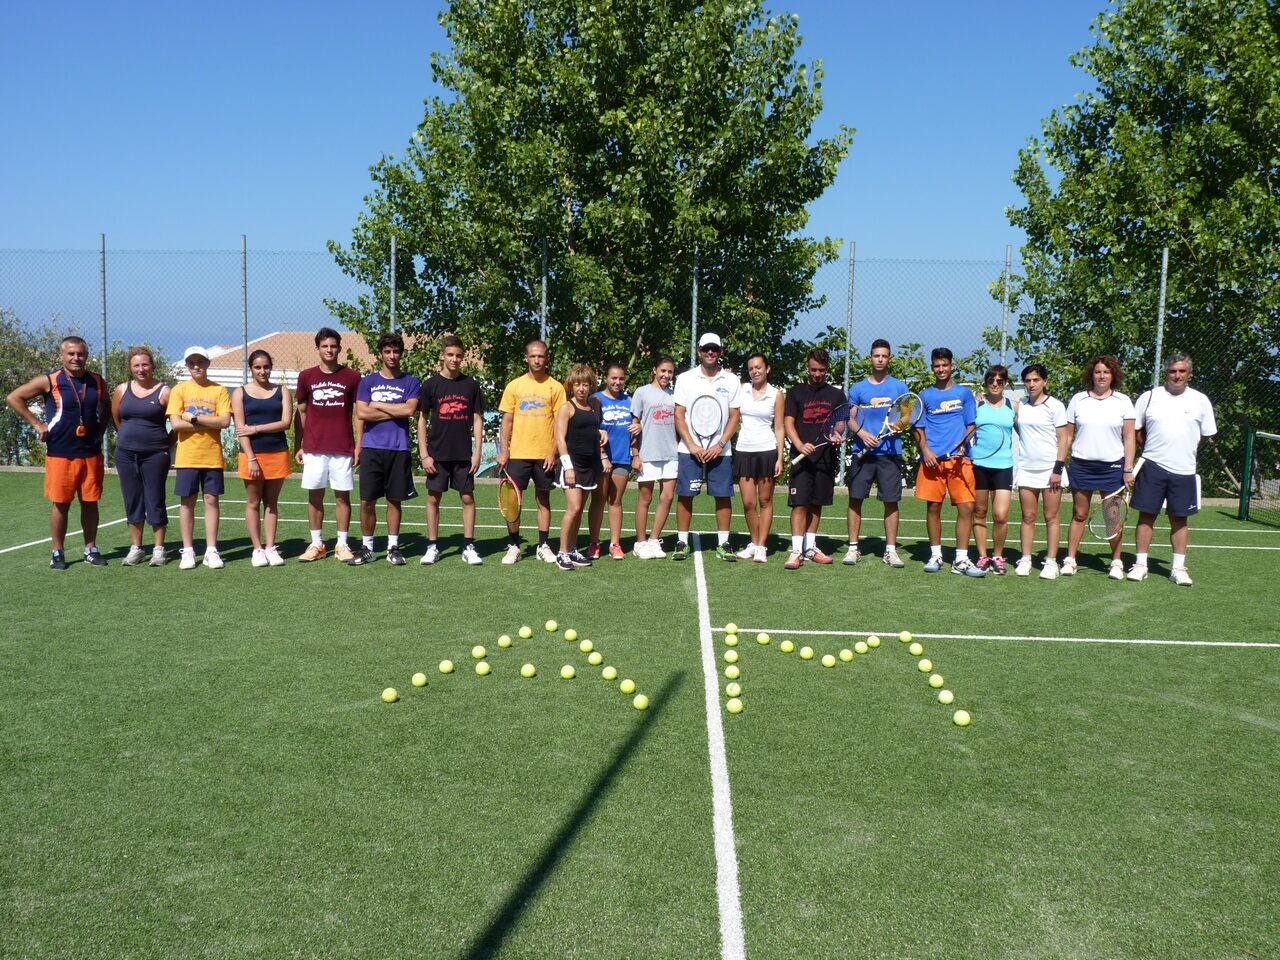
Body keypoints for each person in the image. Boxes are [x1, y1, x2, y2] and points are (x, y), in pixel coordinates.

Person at [6, 335, 110, 569]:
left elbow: (106, 405)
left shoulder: (96, 380)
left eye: (80, 354)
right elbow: (13, 397)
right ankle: (57, 552)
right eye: (71, 353)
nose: (76, 358)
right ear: (61, 355)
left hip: (91, 453)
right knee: (61, 503)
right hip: (60, 453)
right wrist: (36, 423)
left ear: (87, 356)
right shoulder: (50, 380)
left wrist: (100, 430)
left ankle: (90, 549)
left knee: (90, 502)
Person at [1126, 353, 1216, 586]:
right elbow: (1136, 431)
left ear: (1189, 374)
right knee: (1146, 516)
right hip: (1152, 467)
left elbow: (1205, 435)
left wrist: (1183, 448)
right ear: (1166, 373)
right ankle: (1140, 565)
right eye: (1172, 371)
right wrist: (1154, 449)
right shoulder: (1149, 397)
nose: (1177, 375)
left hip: (1185, 470)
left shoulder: (1200, 400)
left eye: (1182, 371)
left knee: (1180, 520)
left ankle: (1178, 568)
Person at [1063, 355, 1136, 579]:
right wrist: (1059, 464)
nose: (1101, 376)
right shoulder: (1078, 399)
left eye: (1106, 372)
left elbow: (1129, 438)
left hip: (1113, 467)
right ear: (1091, 375)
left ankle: (1116, 562)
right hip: (1081, 465)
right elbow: (1067, 435)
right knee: (1079, 514)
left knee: (1112, 517)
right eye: (1097, 372)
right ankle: (1070, 560)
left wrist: (1128, 469)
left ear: (1113, 375)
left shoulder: (1123, 401)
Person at [914, 347, 985, 577]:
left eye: (945, 365)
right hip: (932, 461)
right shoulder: (924, 396)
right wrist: (925, 451)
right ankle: (935, 555)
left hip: (960, 461)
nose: (941, 369)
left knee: (967, 508)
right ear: (932, 368)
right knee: (933, 507)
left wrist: (963, 443)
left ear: (951, 366)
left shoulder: (964, 394)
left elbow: (971, 425)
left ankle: (961, 559)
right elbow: (918, 428)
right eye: (937, 365)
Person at [351, 332, 420, 566]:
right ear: (380, 354)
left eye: (396, 351)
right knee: (367, 501)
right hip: (371, 448)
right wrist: (396, 408)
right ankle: (367, 548)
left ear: (401, 353)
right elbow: (362, 413)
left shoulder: (411, 382)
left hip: (399, 449)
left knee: (394, 500)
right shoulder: (368, 382)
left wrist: (378, 404)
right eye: (387, 351)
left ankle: (393, 547)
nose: (392, 356)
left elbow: (409, 410)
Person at [672, 332, 741, 561]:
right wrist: (692, 445)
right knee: (685, 495)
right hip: (689, 451)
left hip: (721, 452)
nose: (710, 352)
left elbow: (734, 416)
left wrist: (720, 445)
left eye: (714, 348)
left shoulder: (731, 380)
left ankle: (724, 543)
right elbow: (679, 415)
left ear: (720, 352)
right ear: (698, 351)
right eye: (705, 348)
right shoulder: (685, 379)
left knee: (723, 496)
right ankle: (682, 542)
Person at [294, 327, 361, 563]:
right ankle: (317, 544)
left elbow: (358, 414)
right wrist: (299, 445)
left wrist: (358, 446)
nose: (329, 350)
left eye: (333, 346)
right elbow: (302, 413)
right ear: (318, 348)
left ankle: (342, 544)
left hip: (342, 447)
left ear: (339, 348)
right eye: (325, 346)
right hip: (314, 448)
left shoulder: (352, 377)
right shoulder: (306, 376)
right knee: (315, 496)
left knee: (342, 497)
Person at [416, 335, 484, 566]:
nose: (454, 359)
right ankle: (432, 546)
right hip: (437, 455)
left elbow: (477, 419)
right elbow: (422, 419)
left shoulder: (471, 385)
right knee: (433, 498)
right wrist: (424, 454)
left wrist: (477, 452)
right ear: (442, 356)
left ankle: (468, 546)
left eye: (458, 355)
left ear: (463, 357)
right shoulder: (430, 385)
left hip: (463, 454)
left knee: (467, 497)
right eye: (450, 355)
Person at [496, 340, 566, 564]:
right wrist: (504, 451)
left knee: (543, 499)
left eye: (541, 356)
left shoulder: (556, 387)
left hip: (544, 455)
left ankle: (543, 545)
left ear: (547, 359)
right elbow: (507, 422)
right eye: (533, 356)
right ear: (526, 358)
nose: (537, 360)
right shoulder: (515, 386)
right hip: (518, 454)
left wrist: (553, 452)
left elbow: (560, 424)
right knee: (512, 501)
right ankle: (514, 546)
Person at [845, 338, 909, 568]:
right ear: (870, 358)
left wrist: (896, 426)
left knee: (891, 502)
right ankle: (853, 548)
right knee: (855, 499)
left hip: (889, 454)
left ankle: (890, 551)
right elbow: (850, 419)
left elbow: (907, 416)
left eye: (884, 356)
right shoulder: (858, 389)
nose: (880, 359)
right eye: (876, 355)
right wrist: (862, 434)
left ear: (889, 358)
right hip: (862, 453)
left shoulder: (899, 388)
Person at [166, 346, 232, 569]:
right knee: (187, 503)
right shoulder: (179, 390)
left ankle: (211, 550)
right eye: (192, 362)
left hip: (212, 457)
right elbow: (176, 425)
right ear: (187, 365)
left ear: (208, 363)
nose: (197, 366)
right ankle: (188, 551)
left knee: (211, 501)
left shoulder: (219, 390)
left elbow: (225, 422)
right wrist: (209, 422)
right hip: (187, 458)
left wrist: (193, 419)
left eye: (200, 362)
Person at [783, 348, 844, 569]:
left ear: (827, 369)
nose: (817, 374)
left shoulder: (836, 395)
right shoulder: (796, 392)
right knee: (800, 504)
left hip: (825, 458)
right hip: (801, 458)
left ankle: (810, 547)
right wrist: (799, 444)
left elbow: (840, 423)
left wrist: (835, 433)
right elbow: (788, 422)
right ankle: (796, 551)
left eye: (821, 370)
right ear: (807, 368)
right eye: (813, 369)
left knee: (816, 503)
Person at [111, 347, 172, 566]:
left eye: (145, 364)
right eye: (136, 365)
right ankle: (136, 548)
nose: (141, 369)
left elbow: (176, 424)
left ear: (152, 366)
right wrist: (128, 439)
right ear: (130, 368)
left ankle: (159, 549)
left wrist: (163, 444)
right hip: (125, 455)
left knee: (155, 499)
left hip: (156, 455)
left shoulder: (165, 392)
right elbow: (117, 419)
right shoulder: (121, 390)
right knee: (132, 499)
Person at [232, 350, 294, 567]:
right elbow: (241, 429)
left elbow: (285, 422)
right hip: (251, 456)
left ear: (271, 367)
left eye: (266, 367)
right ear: (251, 368)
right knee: (253, 502)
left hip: (277, 453)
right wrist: (251, 457)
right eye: (257, 367)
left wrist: (256, 428)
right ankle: (257, 549)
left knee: (271, 503)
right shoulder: (239, 393)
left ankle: (270, 547)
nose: (262, 371)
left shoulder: (282, 391)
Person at [1012, 364, 1069, 579]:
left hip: (1051, 470)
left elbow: (1063, 438)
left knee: (1051, 516)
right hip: (1027, 469)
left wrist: (1057, 469)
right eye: (1028, 380)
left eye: (1036, 380)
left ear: (1045, 381)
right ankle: (1026, 559)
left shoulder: (1055, 406)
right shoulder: (1020, 406)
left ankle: (1051, 562)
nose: (1031, 384)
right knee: (1028, 516)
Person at [731, 353, 784, 563]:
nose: (755, 371)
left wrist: (780, 457)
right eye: (751, 368)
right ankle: (754, 542)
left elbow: (779, 427)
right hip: (744, 451)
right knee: (748, 502)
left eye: (759, 367)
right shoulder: (742, 389)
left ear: (767, 368)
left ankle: (761, 545)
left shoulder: (776, 394)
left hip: (767, 451)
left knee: (765, 501)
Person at [553, 364, 607, 571]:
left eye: (585, 384)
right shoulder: (566, 408)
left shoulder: (594, 405)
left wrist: (601, 433)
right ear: (571, 386)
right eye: (577, 385)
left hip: (589, 464)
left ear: (590, 386)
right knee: (574, 508)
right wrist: (568, 467)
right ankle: (562, 553)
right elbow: (560, 438)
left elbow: (592, 430)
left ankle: (573, 549)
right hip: (572, 465)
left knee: (580, 510)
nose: (581, 389)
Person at [630, 356, 678, 559]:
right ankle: (640, 542)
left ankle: (653, 540)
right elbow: (634, 426)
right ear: (655, 370)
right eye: (663, 371)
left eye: (670, 372)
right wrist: (635, 454)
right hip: (647, 453)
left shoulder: (675, 395)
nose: (666, 375)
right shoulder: (642, 392)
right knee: (645, 498)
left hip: (671, 454)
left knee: (667, 497)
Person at [971, 365, 1017, 574]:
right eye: (991, 381)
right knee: (979, 513)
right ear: (986, 383)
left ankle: (997, 556)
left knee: (1000, 515)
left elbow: (1028, 433)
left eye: (1000, 381)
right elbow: (966, 430)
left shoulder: (1013, 406)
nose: (995, 385)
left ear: (1005, 383)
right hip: (979, 465)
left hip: (1003, 467)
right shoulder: (977, 404)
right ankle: (982, 556)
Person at [587, 363, 632, 560]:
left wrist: (638, 426)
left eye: (621, 378)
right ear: (606, 378)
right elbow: (591, 429)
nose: (617, 382)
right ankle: (594, 543)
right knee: (598, 500)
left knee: (616, 501)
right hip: (600, 459)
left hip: (622, 458)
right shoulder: (595, 399)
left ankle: (615, 544)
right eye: (614, 378)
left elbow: (635, 425)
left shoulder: (629, 400)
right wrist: (602, 455)